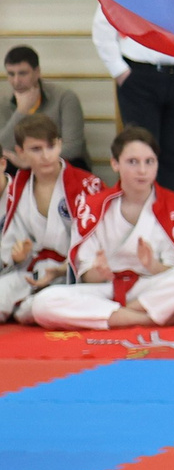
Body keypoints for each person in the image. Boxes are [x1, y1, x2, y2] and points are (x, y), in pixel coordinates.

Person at [27, 126, 174, 330]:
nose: (142, 170)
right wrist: (100, 272)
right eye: (132, 162)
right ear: (115, 163)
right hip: (107, 289)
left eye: (149, 162)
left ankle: (121, 314)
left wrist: (153, 265)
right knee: (43, 303)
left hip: (152, 287)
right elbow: (87, 273)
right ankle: (145, 318)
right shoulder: (93, 208)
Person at [1, 115, 103, 321]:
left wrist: (58, 271)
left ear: (60, 144)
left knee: (44, 304)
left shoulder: (86, 185)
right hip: (33, 272)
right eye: (36, 149)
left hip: (74, 275)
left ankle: (27, 309)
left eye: (51, 146)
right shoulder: (18, 188)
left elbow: (99, 245)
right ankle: (26, 308)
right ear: (20, 152)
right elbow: (12, 244)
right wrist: (17, 254)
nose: (46, 156)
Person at [93, 11, 174, 188]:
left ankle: (170, 207)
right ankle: (141, 207)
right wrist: (119, 70)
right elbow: (104, 20)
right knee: (140, 148)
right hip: (139, 75)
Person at [5, 46, 88, 171]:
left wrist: (33, 161)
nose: (16, 81)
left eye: (22, 73)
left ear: (37, 72)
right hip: (19, 166)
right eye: (11, 74)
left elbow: (73, 148)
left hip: (62, 164)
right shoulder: (3, 104)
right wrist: (21, 111)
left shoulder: (65, 98)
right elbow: (3, 147)